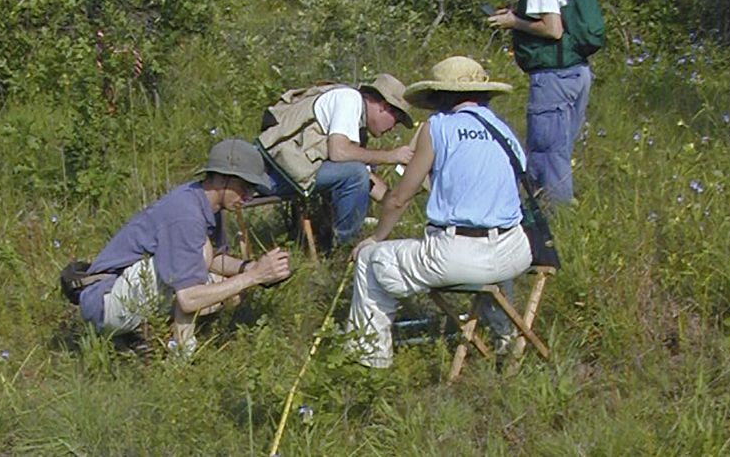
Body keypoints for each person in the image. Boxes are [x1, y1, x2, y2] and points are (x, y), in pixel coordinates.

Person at [345, 56, 531, 368]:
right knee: (491, 263)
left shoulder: (439, 128)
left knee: (370, 261)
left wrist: (376, 237)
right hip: (514, 252)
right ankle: (506, 340)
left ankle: (369, 360)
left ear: (439, 96)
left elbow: (400, 198)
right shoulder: (504, 130)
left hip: (458, 256)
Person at [77, 139, 292, 356]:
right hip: (105, 301)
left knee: (229, 289)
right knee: (201, 259)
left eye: (253, 189)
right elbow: (188, 298)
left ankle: (143, 338)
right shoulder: (186, 215)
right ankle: (182, 353)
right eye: (245, 187)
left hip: (129, 291)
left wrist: (251, 268)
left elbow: (216, 260)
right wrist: (254, 276)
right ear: (223, 178)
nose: (248, 196)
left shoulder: (207, 206)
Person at [484, 0, 594, 205]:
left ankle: (551, 230)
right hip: (577, 72)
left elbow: (552, 28)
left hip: (555, 76)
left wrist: (512, 22)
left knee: (547, 158)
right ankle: (548, 218)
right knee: (559, 153)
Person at [257, 74, 415, 245]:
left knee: (357, 172)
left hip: (288, 172)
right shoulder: (349, 99)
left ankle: (336, 244)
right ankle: (344, 246)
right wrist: (390, 156)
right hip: (269, 173)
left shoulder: (357, 123)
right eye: (396, 121)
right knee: (356, 173)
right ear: (384, 107)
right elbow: (339, 153)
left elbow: (363, 176)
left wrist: (394, 199)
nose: (392, 128)